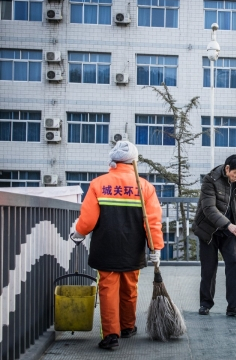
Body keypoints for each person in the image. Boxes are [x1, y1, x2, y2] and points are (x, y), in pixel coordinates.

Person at [70, 141, 164, 349]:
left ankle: (111, 335)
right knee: (130, 288)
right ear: (134, 162)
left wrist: (77, 233)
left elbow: (87, 221)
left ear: (113, 160)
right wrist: (155, 247)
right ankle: (128, 327)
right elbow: (152, 222)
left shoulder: (99, 184)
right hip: (133, 248)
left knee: (108, 290)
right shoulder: (145, 187)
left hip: (106, 248)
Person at [192, 154, 236, 316]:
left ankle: (234, 306)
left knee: (233, 263)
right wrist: (228, 225)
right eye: (235, 173)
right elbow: (209, 209)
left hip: (230, 231)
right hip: (209, 230)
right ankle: (205, 304)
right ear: (227, 168)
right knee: (209, 267)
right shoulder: (210, 180)